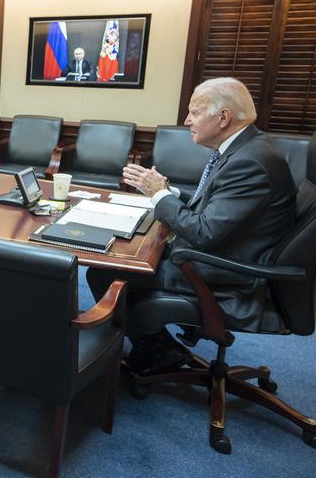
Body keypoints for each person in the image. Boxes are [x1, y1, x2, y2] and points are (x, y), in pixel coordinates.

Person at [87, 77, 296, 373]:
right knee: (123, 260)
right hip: (226, 255)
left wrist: (159, 195)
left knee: (105, 272)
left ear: (223, 117)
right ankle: (155, 342)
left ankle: (156, 349)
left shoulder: (250, 162)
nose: (186, 120)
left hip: (227, 274)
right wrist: (168, 192)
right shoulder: (248, 149)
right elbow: (215, 206)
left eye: (195, 112)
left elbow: (204, 232)